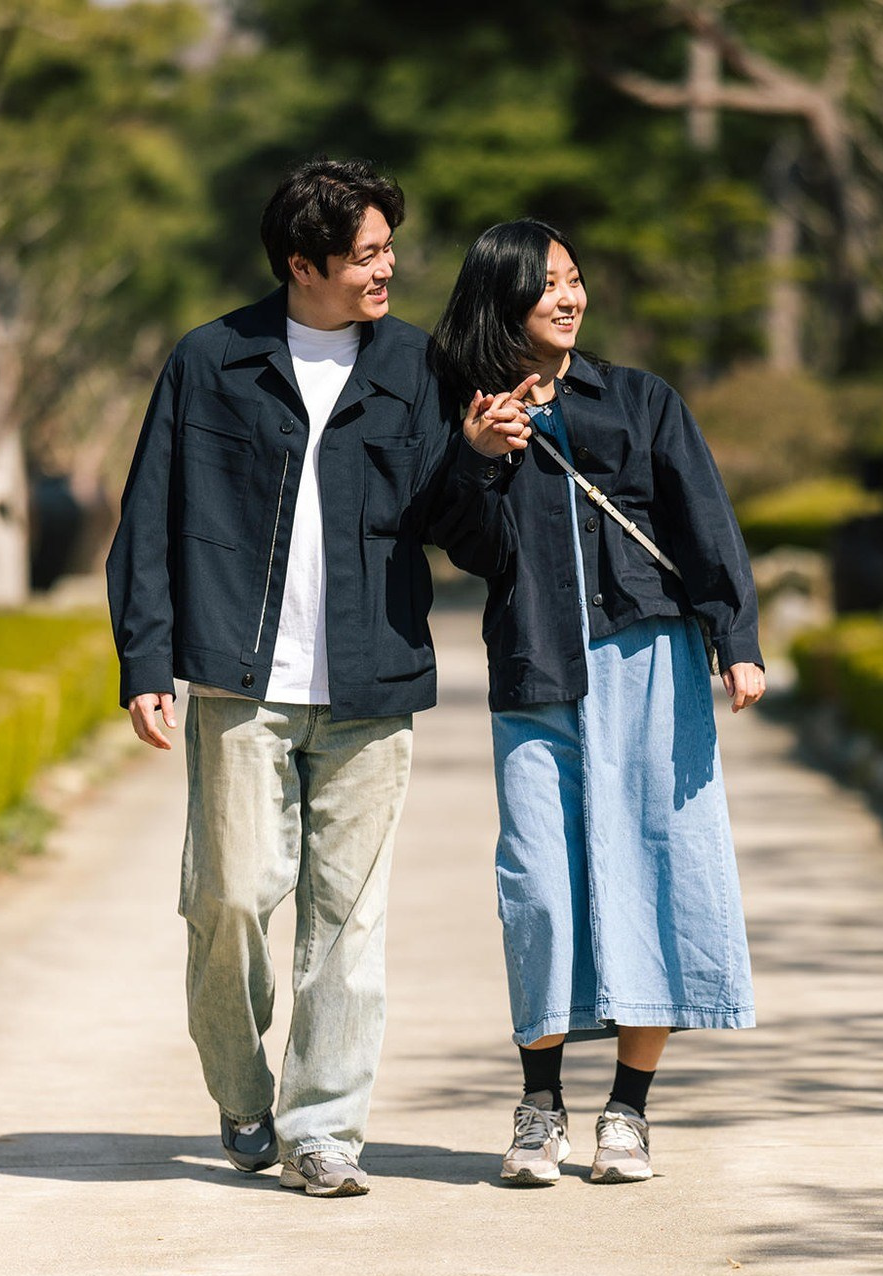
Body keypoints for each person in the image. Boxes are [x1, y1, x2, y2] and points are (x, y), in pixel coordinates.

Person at [106, 160, 523, 1198]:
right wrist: (142, 657)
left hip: (371, 682)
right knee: (230, 896)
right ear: (303, 264)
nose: (388, 268)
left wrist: (473, 457)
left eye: (389, 249)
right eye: (367, 254)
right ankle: (242, 1091)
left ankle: (324, 1126)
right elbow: (149, 516)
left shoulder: (415, 371)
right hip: (240, 681)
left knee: (348, 921)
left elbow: (463, 540)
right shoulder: (211, 362)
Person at [434, 220, 765, 1186]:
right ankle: (540, 1106)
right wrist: (475, 456)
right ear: (505, 303)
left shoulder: (642, 398)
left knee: (654, 864)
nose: (569, 299)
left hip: (651, 659)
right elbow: (463, 546)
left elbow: (704, 517)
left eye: (575, 280)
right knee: (538, 882)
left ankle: (628, 1112)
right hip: (535, 665)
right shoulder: (472, 414)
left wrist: (735, 640)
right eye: (546, 287)